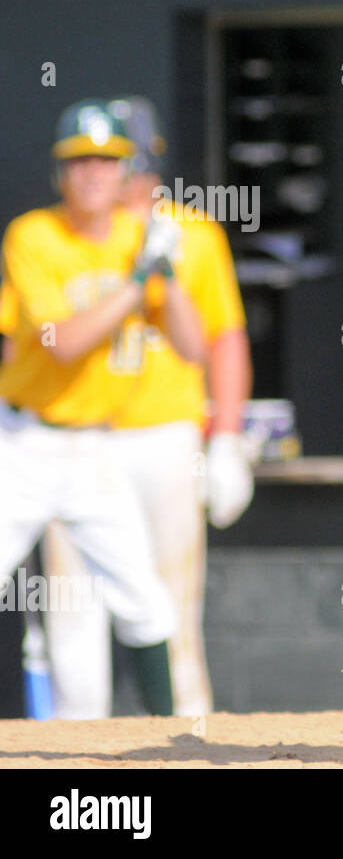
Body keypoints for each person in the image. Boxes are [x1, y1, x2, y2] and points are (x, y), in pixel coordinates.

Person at [23, 96, 252, 719]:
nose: (126, 177)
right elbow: (53, 340)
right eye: (89, 162)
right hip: (77, 436)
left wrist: (226, 437)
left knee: (171, 607)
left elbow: (217, 338)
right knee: (72, 609)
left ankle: (185, 741)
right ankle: (71, 764)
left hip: (163, 434)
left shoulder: (189, 232)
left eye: (126, 161)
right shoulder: (47, 234)